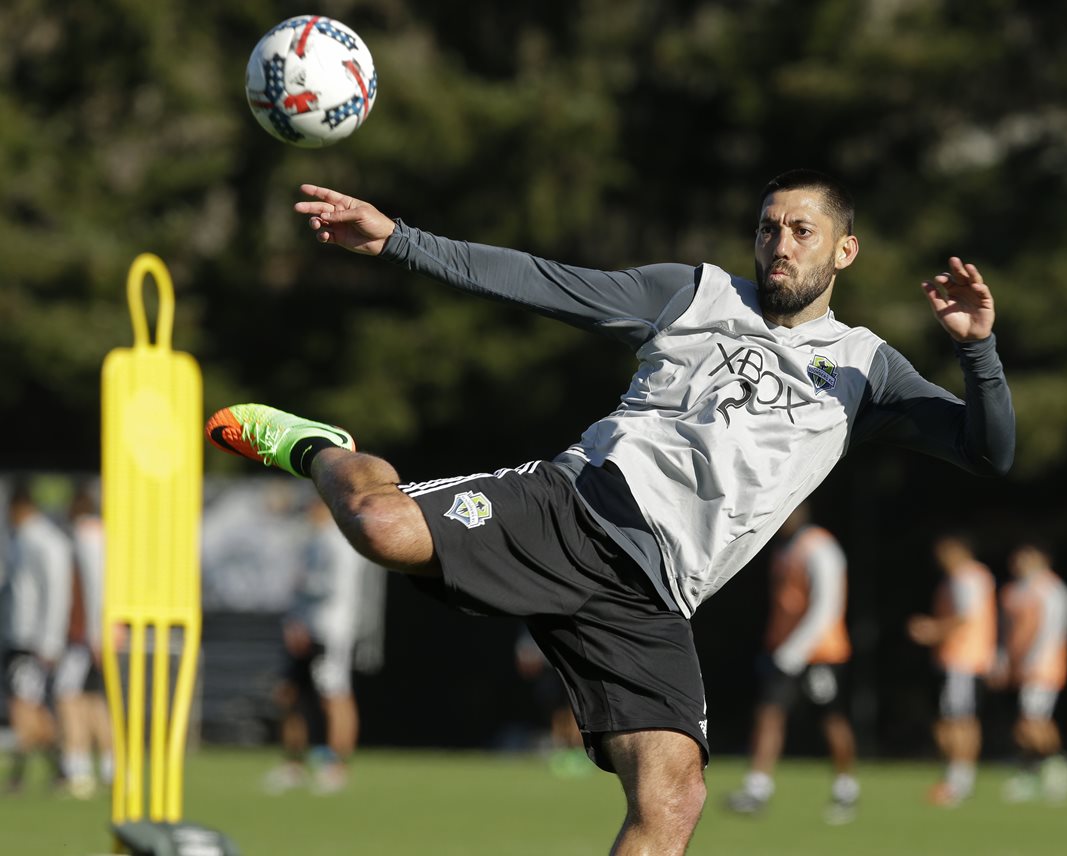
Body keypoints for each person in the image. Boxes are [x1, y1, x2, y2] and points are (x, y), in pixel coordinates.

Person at [205, 169, 1015, 854]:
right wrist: (400, 240)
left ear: (845, 250)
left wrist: (976, 351)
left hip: (657, 598)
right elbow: (546, 281)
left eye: (802, 230)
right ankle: (316, 445)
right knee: (381, 528)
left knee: (673, 804)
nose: (780, 244)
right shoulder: (693, 294)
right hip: (576, 507)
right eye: (769, 228)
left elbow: (989, 451)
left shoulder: (866, 369)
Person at [726, 504, 860, 824]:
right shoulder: (784, 548)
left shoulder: (820, 547)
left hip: (820, 653)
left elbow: (827, 606)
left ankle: (845, 786)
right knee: (769, 713)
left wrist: (795, 651)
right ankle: (757, 788)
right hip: (784, 651)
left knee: (831, 719)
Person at [263, 497, 364, 795]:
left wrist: (304, 593)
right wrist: (295, 622)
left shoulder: (339, 541)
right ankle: (293, 764)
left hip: (329, 631)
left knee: (333, 695)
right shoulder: (312, 541)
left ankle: (336, 765)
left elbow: (329, 588)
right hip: (305, 628)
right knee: (288, 695)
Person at [907, 534, 997, 807]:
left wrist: (932, 630)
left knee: (958, 720)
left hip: (963, 658)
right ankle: (956, 777)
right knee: (954, 719)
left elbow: (965, 616)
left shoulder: (967, 577)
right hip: (956, 659)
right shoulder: (964, 577)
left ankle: (958, 781)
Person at [2, 480, 72, 793]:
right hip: (18, 635)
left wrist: (50, 640)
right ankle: (59, 766)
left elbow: (56, 592)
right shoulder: (21, 539)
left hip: (33, 639)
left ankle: (27, 771)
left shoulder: (45, 542)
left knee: (22, 705)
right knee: (29, 705)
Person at [994, 542, 1067, 803]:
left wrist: (1036, 659)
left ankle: (1053, 764)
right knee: (1031, 720)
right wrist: (1003, 659)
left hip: (1044, 665)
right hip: (1021, 666)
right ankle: (1036, 769)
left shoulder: (1052, 590)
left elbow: (1053, 629)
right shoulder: (1013, 592)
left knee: (1030, 720)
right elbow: (1007, 632)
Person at [53, 484, 115, 799]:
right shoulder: (106, 535)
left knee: (68, 697)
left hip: (87, 634)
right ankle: (110, 767)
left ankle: (77, 769)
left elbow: (92, 588)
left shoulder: (85, 535)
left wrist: (94, 633)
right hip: (102, 631)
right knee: (94, 700)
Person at [513, 625, 591, 778]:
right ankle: (561, 750)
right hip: (550, 667)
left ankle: (578, 751)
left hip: (572, 665)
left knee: (575, 709)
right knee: (556, 711)